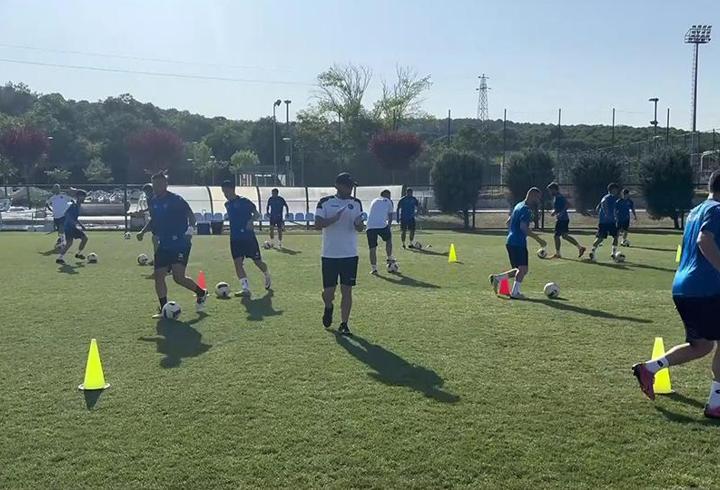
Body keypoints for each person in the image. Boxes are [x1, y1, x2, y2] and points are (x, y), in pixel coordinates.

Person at [633, 170, 720, 419]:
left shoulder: (695, 212)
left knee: (701, 346)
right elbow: (704, 240)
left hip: (684, 287)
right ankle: (716, 403)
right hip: (707, 288)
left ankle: (649, 368)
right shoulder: (717, 210)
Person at [147, 172, 207, 318]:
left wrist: (190, 231)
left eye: (159, 184)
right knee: (159, 275)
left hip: (180, 243)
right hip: (164, 243)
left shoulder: (176, 200)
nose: (156, 187)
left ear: (165, 184)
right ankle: (163, 308)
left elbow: (191, 216)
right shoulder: (153, 201)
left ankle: (201, 293)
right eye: (154, 184)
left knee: (178, 277)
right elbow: (154, 220)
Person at [315, 172, 365, 336]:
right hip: (330, 255)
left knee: (347, 290)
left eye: (352, 186)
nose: (350, 189)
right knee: (328, 293)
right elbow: (317, 224)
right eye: (347, 186)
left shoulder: (356, 203)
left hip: (350, 254)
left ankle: (344, 323)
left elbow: (360, 227)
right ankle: (328, 306)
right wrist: (333, 219)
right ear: (338, 185)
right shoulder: (325, 202)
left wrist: (359, 224)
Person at [489, 187, 547, 299]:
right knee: (523, 269)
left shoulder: (518, 205)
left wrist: (512, 233)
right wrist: (538, 239)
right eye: (537, 198)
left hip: (510, 241)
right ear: (532, 195)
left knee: (519, 270)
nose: (538, 201)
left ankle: (497, 278)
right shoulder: (526, 209)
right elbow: (523, 228)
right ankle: (515, 293)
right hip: (518, 243)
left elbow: (508, 222)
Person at [222, 180, 272, 296]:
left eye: (227, 191)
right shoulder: (227, 204)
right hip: (235, 238)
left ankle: (266, 274)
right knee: (237, 263)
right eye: (223, 192)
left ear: (233, 189)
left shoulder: (244, 201)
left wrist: (251, 221)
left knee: (257, 261)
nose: (225, 194)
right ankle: (245, 289)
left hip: (248, 237)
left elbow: (257, 214)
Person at [546, 182, 586, 259]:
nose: (550, 192)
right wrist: (555, 212)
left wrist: (561, 213)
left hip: (562, 220)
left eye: (551, 190)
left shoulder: (559, 197)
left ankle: (558, 254)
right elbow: (560, 207)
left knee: (556, 236)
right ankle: (580, 248)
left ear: (554, 189)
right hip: (562, 219)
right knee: (564, 236)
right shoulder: (556, 197)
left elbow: (568, 205)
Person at [366, 189, 396, 275]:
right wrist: (389, 226)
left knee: (372, 248)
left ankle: (374, 269)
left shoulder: (374, 200)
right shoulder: (389, 201)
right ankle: (389, 258)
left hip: (370, 226)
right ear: (387, 195)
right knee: (389, 240)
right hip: (381, 225)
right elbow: (390, 216)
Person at [589, 183, 621, 261]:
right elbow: (604, 205)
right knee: (605, 237)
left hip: (606, 221)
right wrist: (608, 215)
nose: (617, 191)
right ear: (612, 189)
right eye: (616, 189)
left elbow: (597, 208)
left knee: (612, 237)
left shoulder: (610, 198)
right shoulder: (607, 198)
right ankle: (611, 253)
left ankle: (594, 251)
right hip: (608, 222)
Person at [56, 188, 89, 264]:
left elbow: (74, 218)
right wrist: (72, 222)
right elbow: (67, 214)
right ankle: (61, 258)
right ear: (78, 197)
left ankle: (75, 255)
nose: (84, 198)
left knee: (80, 240)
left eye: (84, 197)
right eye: (83, 197)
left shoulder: (77, 206)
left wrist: (81, 225)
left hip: (71, 227)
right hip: (69, 227)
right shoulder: (74, 206)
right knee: (73, 242)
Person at [136, 183, 159, 260]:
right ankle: (158, 259)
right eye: (145, 193)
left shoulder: (156, 198)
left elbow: (154, 216)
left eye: (147, 192)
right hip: (158, 221)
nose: (146, 195)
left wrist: (142, 232)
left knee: (156, 239)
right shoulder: (150, 199)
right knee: (155, 239)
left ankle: (160, 260)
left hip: (164, 221)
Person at [46, 184, 71, 248]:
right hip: (56, 216)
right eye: (55, 188)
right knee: (59, 231)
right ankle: (61, 240)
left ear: (59, 188)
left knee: (61, 228)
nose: (56, 189)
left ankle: (63, 243)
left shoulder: (64, 195)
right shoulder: (52, 197)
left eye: (57, 188)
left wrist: (69, 210)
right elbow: (47, 204)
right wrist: (51, 210)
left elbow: (71, 201)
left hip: (63, 215)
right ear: (53, 189)